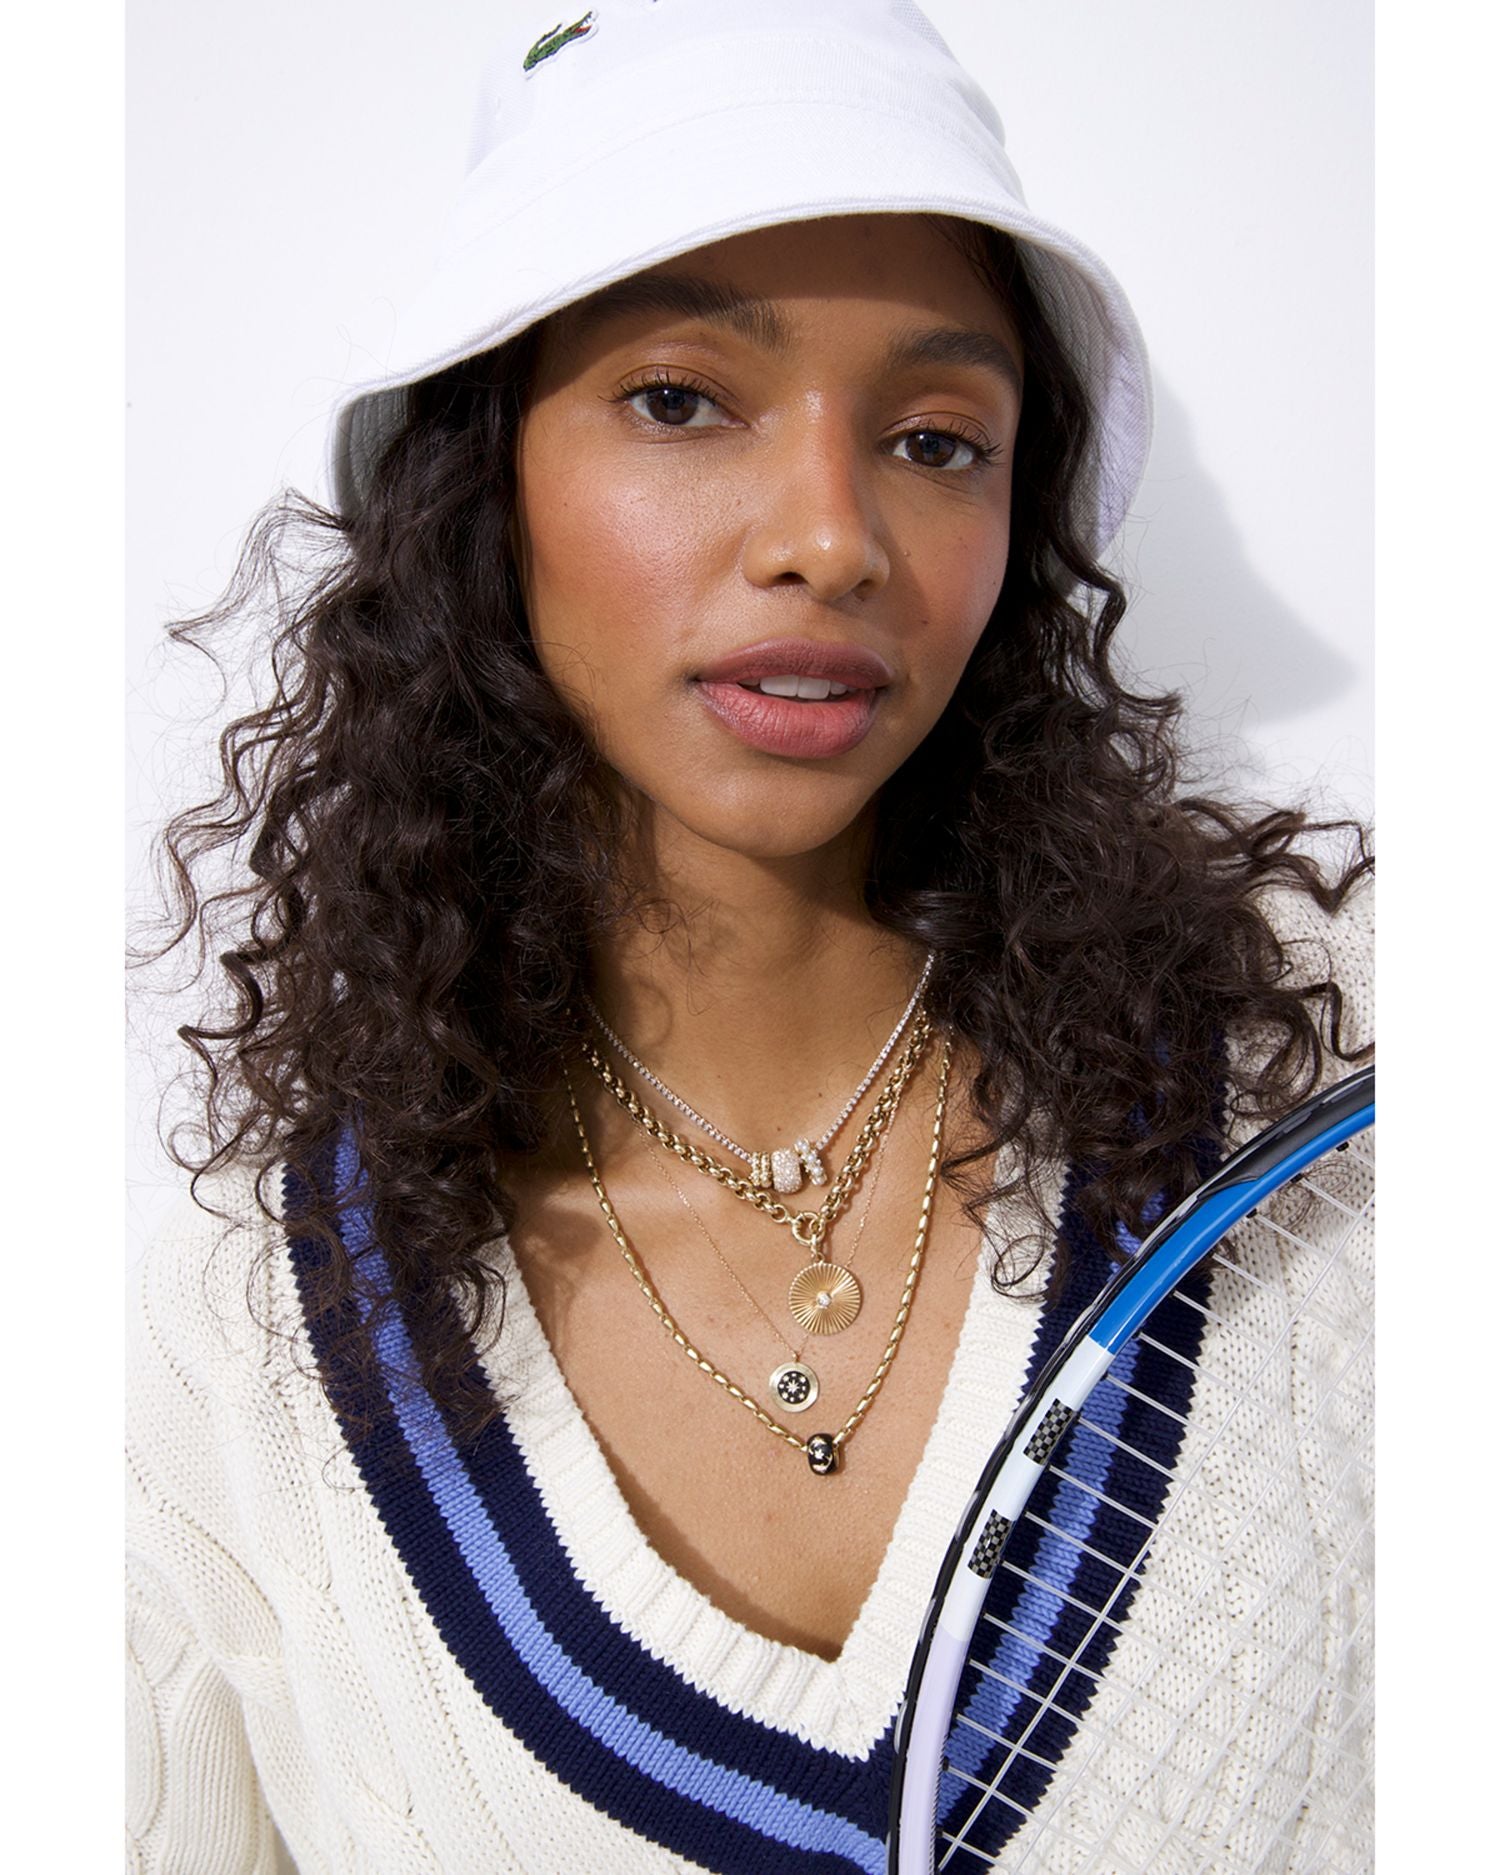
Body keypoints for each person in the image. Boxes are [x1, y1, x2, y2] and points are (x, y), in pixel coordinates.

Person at [125, 3, 1373, 1871]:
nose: (832, 537)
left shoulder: (1347, 1086)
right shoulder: (229, 1364)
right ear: (482, 487)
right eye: (680, 400)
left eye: (937, 438)